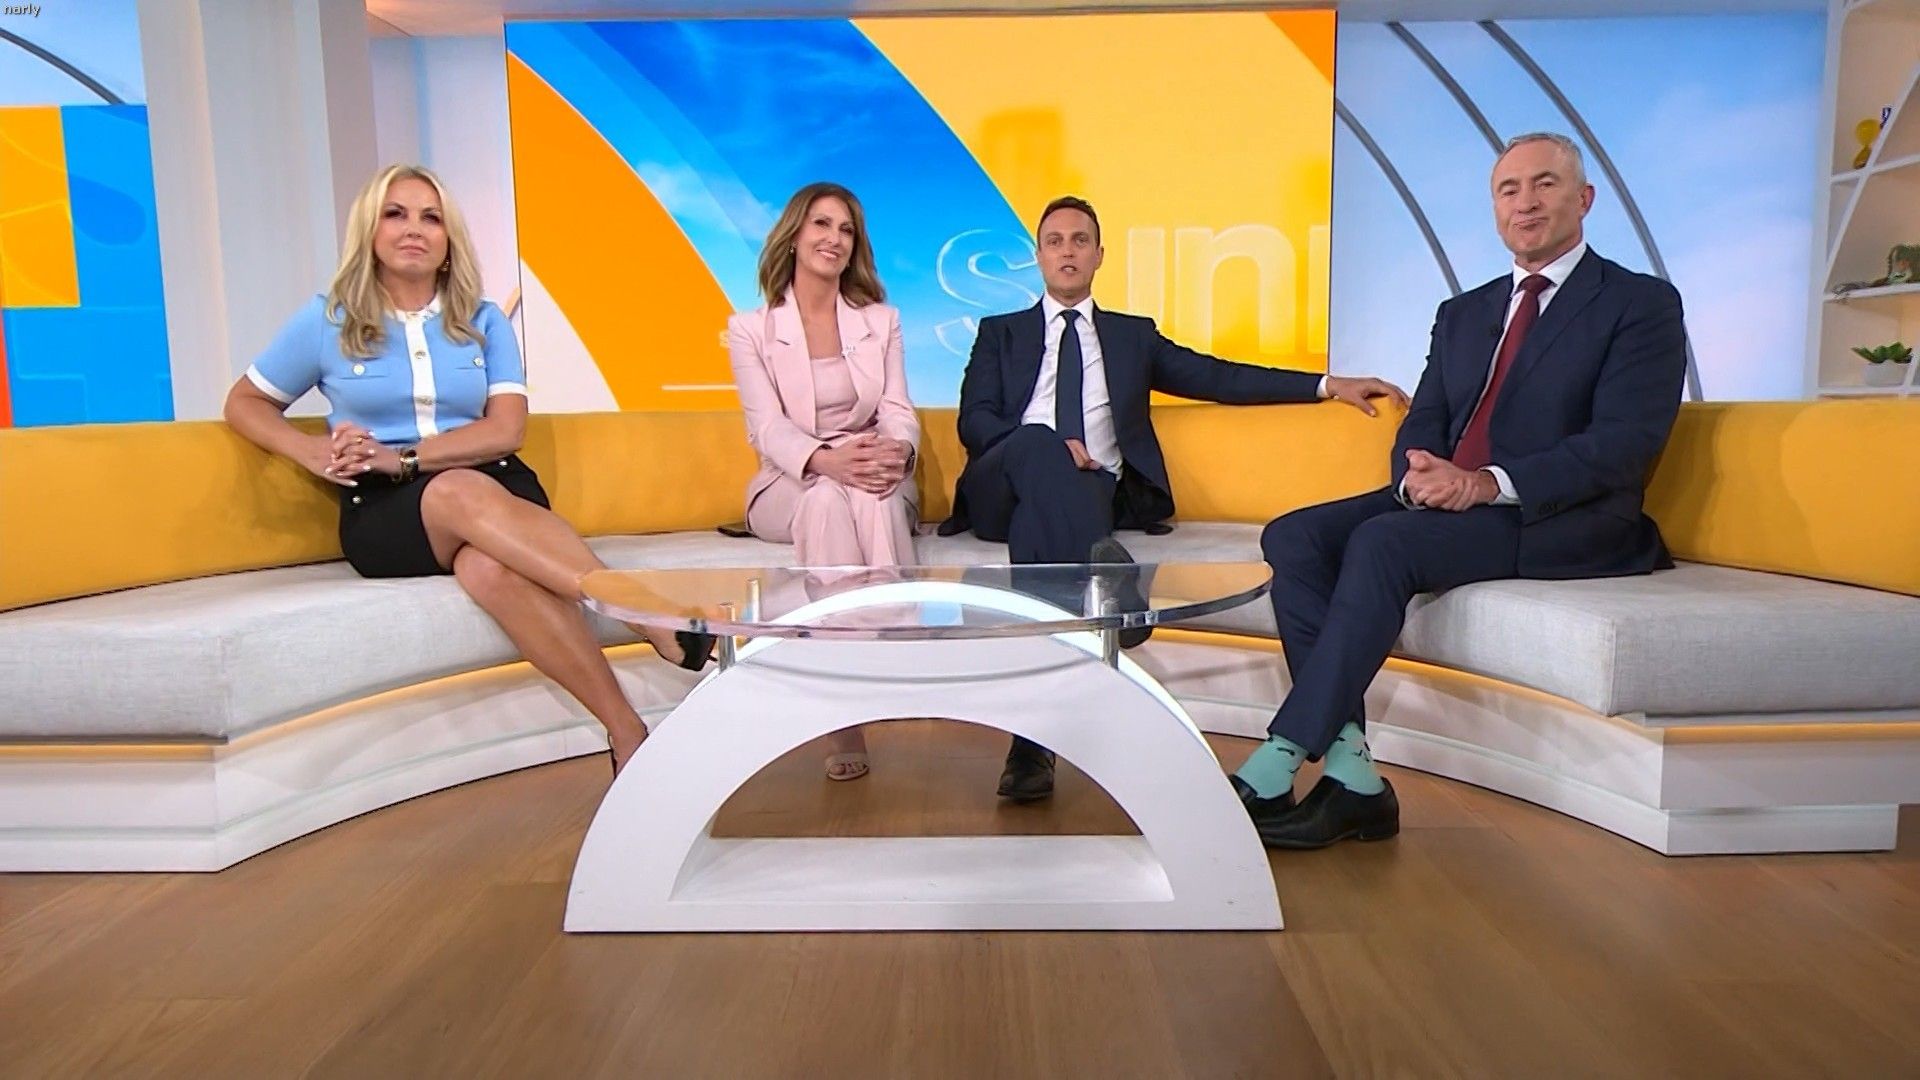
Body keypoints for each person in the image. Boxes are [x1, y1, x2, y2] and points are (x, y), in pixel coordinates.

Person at [1231, 132, 1690, 848]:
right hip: (1451, 502)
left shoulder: (1639, 303)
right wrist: (1417, 477)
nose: (1525, 202)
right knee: (1294, 535)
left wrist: (1484, 484)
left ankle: (1281, 754)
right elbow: (1427, 418)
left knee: (1383, 543)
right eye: (1509, 190)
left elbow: (1625, 443)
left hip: (1558, 514)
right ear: (1495, 208)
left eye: (1544, 184)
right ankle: (1352, 773)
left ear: (1584, 199)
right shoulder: (1463, 313)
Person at [223, 163, 711, 780]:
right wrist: (311, 452)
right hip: (386, 512)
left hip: (495, 483)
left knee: (487, 567)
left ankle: (628, 733)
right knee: (454, 489)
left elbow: (506, 430)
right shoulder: (328, 320)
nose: (414, 229)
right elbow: (245, 402)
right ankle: (644, 612)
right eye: (395, 214)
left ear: (449, 239)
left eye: (431, 218)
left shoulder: (482, 320)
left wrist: (405, 456)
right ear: (369, 230)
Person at [940, 195, 1406, 802]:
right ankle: (1114, 592)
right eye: (1054, 241)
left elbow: (1219, 376)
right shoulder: (1000, 333)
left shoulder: (1132, 337)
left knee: (1051, 524)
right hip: (1004, 484)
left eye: (1080, 240)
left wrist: (1325, 384)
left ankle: (1034, 741)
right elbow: (974, 421)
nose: (1067, 251)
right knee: (1036, 445)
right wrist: (1050, 446)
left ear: (1099, 255)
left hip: (1089, 496)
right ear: (1039, 256)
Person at [727, 182, 919, 782]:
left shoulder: (881, 322)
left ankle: (883, 659)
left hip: (869, 462)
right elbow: (767, 428)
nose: (833, 238)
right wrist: (825, 461)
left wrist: (898, 452)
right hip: (789, 477)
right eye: (821, 224)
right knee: (828, 497)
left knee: (871, 494)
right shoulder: (750, 330)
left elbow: (897, 409)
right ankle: (847, 698)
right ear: (794, 234)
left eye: (846, 229)